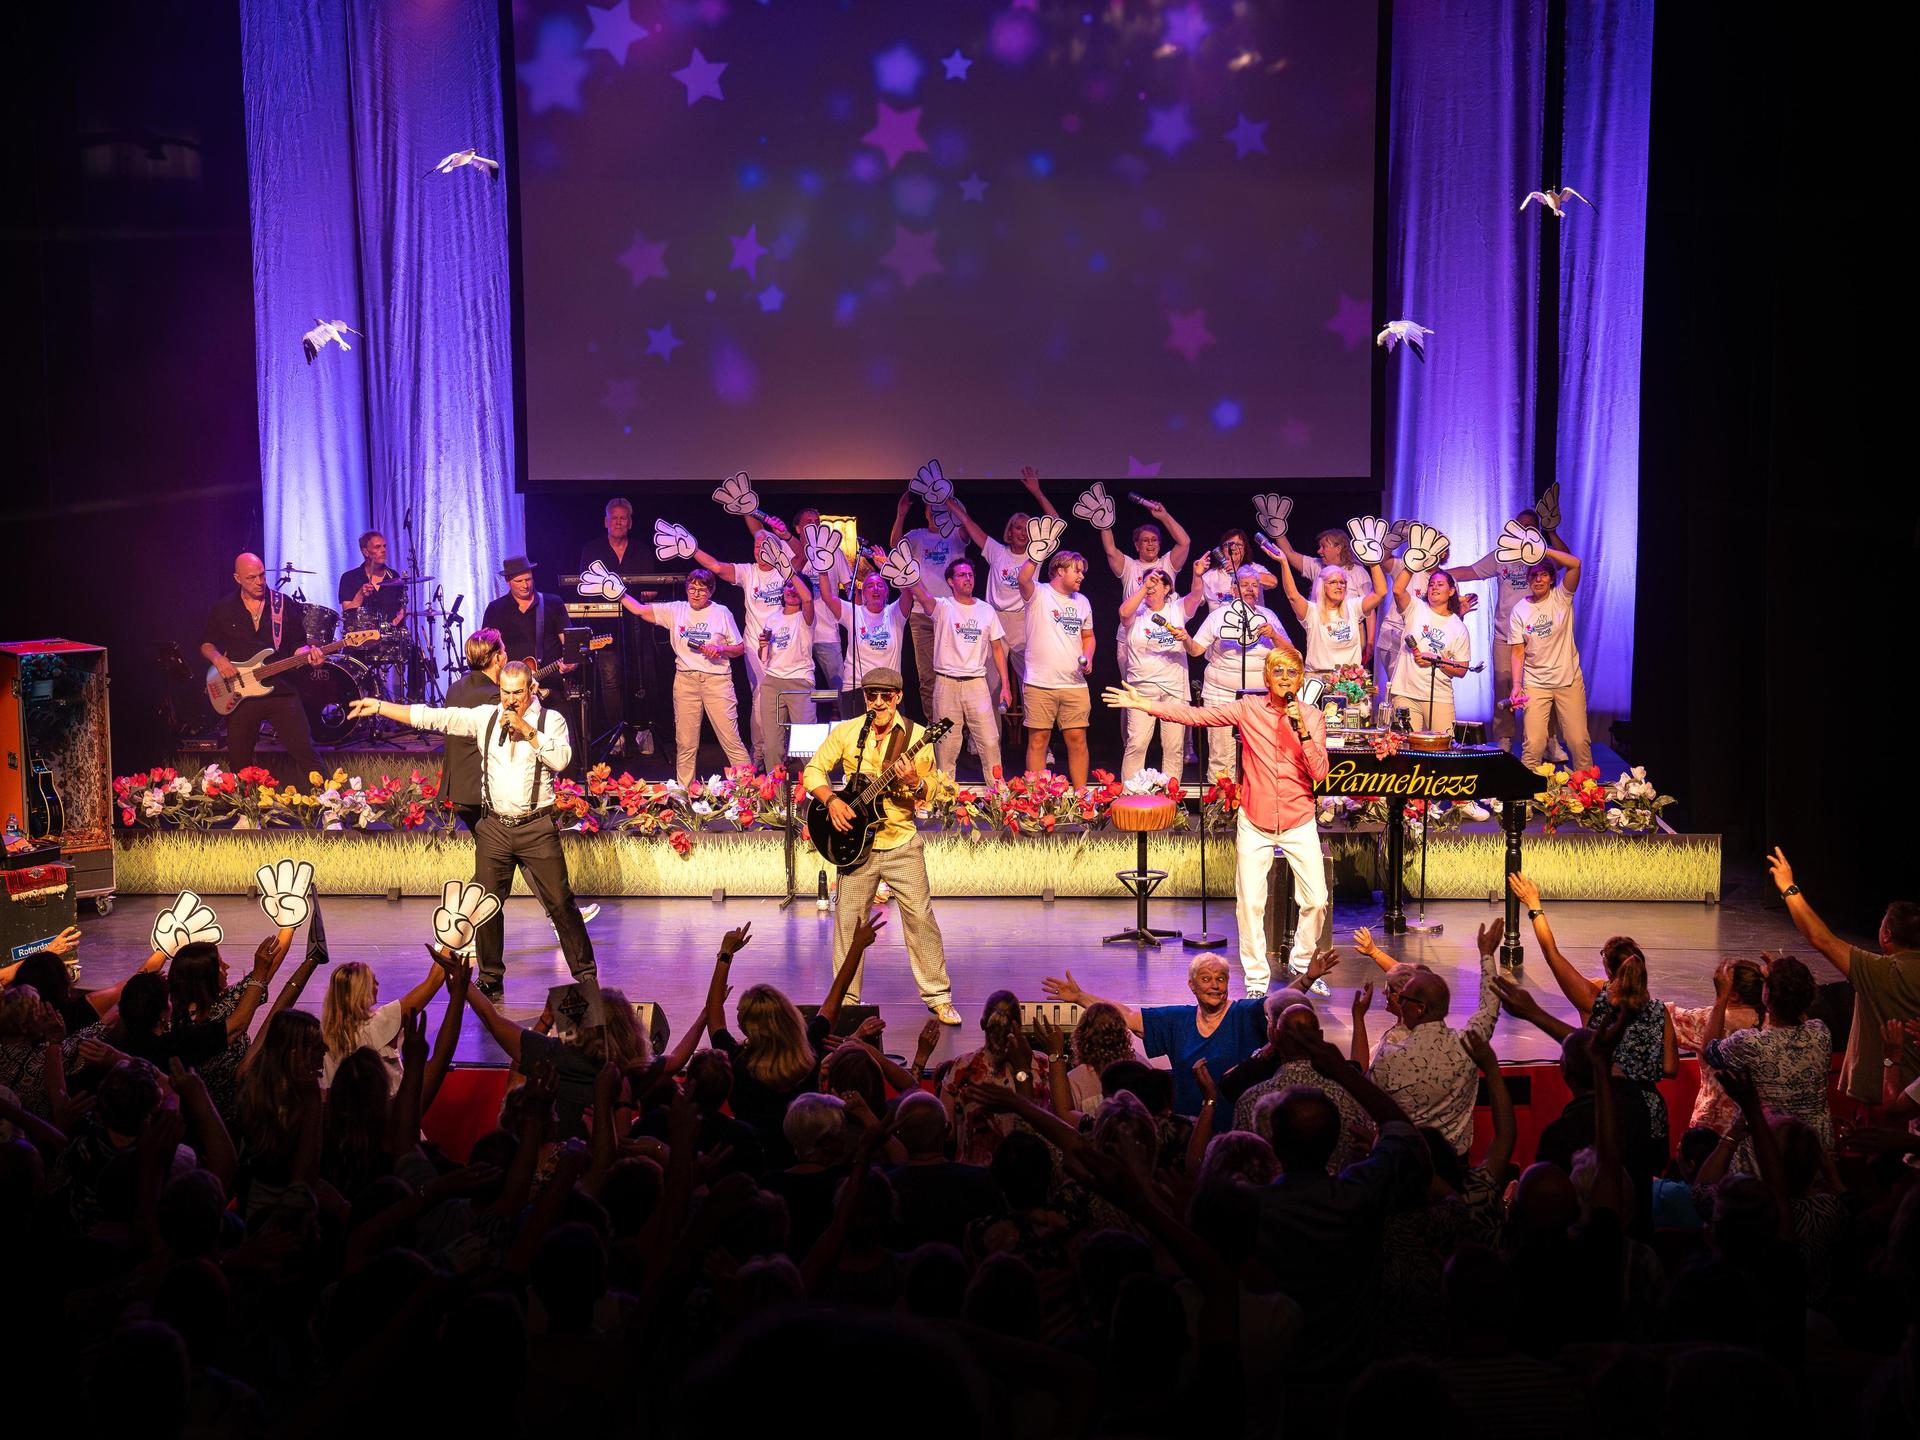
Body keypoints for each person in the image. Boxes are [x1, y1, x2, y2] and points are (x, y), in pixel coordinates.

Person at [348, 662, 595, 1001]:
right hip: (494, 826)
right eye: (505, 692)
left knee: (561, 903)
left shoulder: (550, 721)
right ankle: (491, 978)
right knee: (486, 905)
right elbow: (435, 717)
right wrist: (379, 706)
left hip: (536, 827)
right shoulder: (486, 717)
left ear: (530, 690)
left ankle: (586, 976)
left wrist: (529, 732)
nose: (510, 700)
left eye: (517, 693)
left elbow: (562, 759)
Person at [1104, 643, 1329, 995]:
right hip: (1255, 819)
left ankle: (1302, 960)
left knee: (1316, 900)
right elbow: (1197, 716)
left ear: (1300, 679)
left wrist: (1301, 730)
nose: (1285, 678)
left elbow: (1320, 773)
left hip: (1298, 817)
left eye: (1292, 673)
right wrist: (1145, 705)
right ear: (1267, 677)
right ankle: (1256, 978)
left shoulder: (1312, 717)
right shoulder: (1249, 708)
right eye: (1279, 672)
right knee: (1251, 903)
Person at [801, 668, 960, 1025]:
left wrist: (915, 781)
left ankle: (938, 996)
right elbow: (813, 771)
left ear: (898, 697)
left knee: (920, 919)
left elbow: (933, 791)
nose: (878, 702)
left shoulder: (918, 736)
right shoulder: (847, 732)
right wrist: (831, 801)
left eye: (885, 696)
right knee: (848, 924)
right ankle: (846, 999)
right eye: (871, 695)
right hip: (857, 848)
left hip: (901, 841)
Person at [1508, 873, 1676, 1152]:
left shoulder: (1594, 1001)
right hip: (1651, 1114)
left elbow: (1552, 955)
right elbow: (1670, 1068)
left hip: (1606, 1106)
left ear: (1609, 969)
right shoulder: (1660, 1010)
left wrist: (1534, 904)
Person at [1764, 847, 1920, 1109]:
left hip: (1884, 1100)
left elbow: (1821, 939)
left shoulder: (1879, 972)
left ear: (1887, 936)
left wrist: (1788, 887)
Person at [1041, 957, 1267, 1117]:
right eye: (1206, 979)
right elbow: (1127, 1016)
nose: (1215, 985)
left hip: (1234, 1127)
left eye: (1221, 978)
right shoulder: (1178, 1020)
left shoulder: (1244, 1013)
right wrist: (1080, 997)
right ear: (1192, 985)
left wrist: (1304, 981)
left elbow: (1281, 1007)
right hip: (1189, 1127)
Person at [600, 567, 749, 787]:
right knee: (686, 743)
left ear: (711, 591)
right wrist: (619, 593)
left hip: (716, 681)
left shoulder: (722, 612)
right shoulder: (676, 610)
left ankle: (750, 791)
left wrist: (720, 648)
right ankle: (685, 795)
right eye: (692, 588)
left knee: (731, 740)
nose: (696, 593)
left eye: (701, 589)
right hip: (686, 681)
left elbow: (739, 648)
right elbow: (640, 610)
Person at [1366, 919, 1504, 1155]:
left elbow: (1367, 1104)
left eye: (1404, 999)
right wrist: (1487, 955)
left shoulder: (1389, 1056)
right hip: (1454, 1167)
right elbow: (1489, 1007)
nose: (1399, 1003)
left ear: (1419, 1008)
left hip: (1405, 1166)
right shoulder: (1467, 1047)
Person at [200, 552, 325, 786]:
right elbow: (207, 644)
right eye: (251, 578)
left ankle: (330, 809)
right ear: (237, 578)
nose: (259, 582)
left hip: (281, 689)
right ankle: (247, 815)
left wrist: (309, 655)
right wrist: (219, 660)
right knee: (238, 760)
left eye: (262, 575)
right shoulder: (223, 608)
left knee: (306, 753)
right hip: (241, 693)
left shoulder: (283, 604)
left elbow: (299, 645)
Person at [1449, 501, 1567, 747]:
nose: (1524, 532)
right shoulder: (1502, 556)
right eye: (1520, 527)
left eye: (1530, 528)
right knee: (1503, 686)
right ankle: (1504, 737)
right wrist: (1436, 572)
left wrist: (1552, 532)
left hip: (1540, 636)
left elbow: (1567, 560)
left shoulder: (1543, 557)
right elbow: (1471, 571)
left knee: (1546, 687)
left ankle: (1550, 739)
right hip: (1505, 635)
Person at [941, 470, 1060, 703]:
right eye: (1018, 527)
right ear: (1010, 531)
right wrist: (948, 503)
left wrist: (1037, 492)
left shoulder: (1036, 554)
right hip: (995, 619)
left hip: (1024, 620)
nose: (1023, 532)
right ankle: (989, 738)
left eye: (1028, 528)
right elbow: (969, 523)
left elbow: (1055, 524)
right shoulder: (996, 551)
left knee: (1032, 683)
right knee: (992, 684)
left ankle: (1036, 736)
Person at [1701, 953, 1833, 1159]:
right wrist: (1784, 981)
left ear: (1767, 996)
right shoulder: (1820, 1032)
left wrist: (1722, 998)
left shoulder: (1750, 1043)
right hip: (1814, 1150)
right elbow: (1799, 1014)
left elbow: (1710, 1050)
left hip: (1768, 1150)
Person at [692, 524, 793, 769]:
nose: (760, 549)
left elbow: (800, 557)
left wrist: (786, 535)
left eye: (765, 544)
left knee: (785, 698)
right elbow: (716, 566)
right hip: (755, 645)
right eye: (756, 545)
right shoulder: (748, 572)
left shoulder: (784, 571)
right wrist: (692, 549)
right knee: (761, 697)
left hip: (785, 643)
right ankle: (759, 752)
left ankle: (781, 751)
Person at [1182, 560, 1290, 783]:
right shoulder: (1217, 617)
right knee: (1221, 755)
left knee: (1260, 754)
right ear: (1233, 589)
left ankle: (1255, 804)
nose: (1250, 589)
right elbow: (1196, 651)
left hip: (1260, 699)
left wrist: (1274, 636)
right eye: (1245, 584)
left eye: (1254, 585)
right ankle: (1221, 808)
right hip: (1221, 695)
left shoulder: (1268, 615)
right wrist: (1185, 639)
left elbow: (1292, 654)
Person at [904, 559, 1010, 782]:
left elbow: (998, 649)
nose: (968, 579)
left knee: (990, 741)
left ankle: (998, 798)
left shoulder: (986, 610)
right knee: (946, 745)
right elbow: (922, 595)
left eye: (970, 574)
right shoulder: (943, 606)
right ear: (951, 581)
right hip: (946, 684)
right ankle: (945, 798)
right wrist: (904, 569)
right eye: (962, 575)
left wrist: (1006, 687)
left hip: (976, 684)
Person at [1508, 545, 1592, 770]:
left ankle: (1587, 794)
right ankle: (1526, 796)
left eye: (1543, 574)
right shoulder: (1519, 610)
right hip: (1536, 684)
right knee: (1534, 744)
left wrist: (1542, 550)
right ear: (1528, 579)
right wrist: (1517, 685)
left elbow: (1575, 564)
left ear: (1552, 578)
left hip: (1568, 680)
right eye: (1533, 575)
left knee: (1578, 740)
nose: (1538, 579)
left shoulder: (1561, 597)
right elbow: (1518, 651)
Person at [890, 489, 972, 721]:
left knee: (956, 672)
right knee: (927, 676)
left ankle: (960, 727)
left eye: (941, 508)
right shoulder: (917, 536)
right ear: (926, 513)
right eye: (932, 508)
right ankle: (934, 727)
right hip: (920, 614)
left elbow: (967, 527)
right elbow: (895, 545)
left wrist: (951, 501)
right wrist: (901, 515)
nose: (936, 512)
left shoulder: (955, 535)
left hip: (951, 614)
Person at [1016, 549, 1095, 785]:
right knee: (1038, 740)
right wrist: (1036, 553)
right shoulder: (1039, 593)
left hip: (1074, 684)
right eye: (1077, 571)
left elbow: (1089, 636)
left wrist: (1088, 656)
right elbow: (1022, 579)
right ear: (1060, 570)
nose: (1081, 576)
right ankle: (1038, 799)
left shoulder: (1082, 602)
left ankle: (1081, 796)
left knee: (1078, 739)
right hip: (1040, 683)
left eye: (1082, 572)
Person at [318, 954, 448, 1093]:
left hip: (341, 1111)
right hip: (387, 1109)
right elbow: (434, 980)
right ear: (362, 989)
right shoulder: (377, 1024)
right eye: (373, 981)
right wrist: (449, 941)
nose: (378, 985)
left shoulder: (322, 1034)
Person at [578, 497, 647, 757]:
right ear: (606, 522)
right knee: (609, 679)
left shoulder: (641, 550)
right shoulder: (592, 549)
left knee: (640, 678)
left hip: (638, 627)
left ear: (629, 522)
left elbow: (649, 590)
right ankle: (616, 734)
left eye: (623, 518)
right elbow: (584, 587)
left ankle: (641, 730)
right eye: (614, 518)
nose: (618, 522)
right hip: (604, 625)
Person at [1115, 567, 1196, 782]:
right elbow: (1123, 613)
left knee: (1173, 746)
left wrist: (1196, 574)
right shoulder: (1137, 612)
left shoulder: (1177, 609)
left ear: (1167, 588)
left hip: (1174, 688)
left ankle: (1171, 799)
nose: (1150, 586)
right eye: (1147, 581)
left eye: (1156, 582)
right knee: (1137, 743)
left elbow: (1197, 596)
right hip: (1141, 689)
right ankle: (1129, 796)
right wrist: (1145, 587)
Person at [1277, 553, 1387, 682]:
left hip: (1350, 682)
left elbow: (1380, 593)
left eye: (1342, 582)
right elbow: (1292, 596)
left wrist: (1373, 561)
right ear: (1322, 586)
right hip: (1318, 680)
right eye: (1333, 582)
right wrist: (1284, 562)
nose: (1340, 586)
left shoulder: (1353, 607)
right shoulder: (1312, 611)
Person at [1387, 563, 1470, 732]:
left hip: (1439, 696)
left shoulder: (1458, 627)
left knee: (1443, 749)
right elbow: (1397, 590)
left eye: (1440, 584)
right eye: (1431, 584)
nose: (1434, 588)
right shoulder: (1415, 608)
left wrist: (1437, 661)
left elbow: (1462, 669)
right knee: (1407, 747)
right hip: (1405, 693)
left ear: (1452, 591)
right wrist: (1412, 563)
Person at [749, 576, 818, 774]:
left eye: (796, 586)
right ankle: (777, 800)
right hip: (772, 681)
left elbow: (807, 600)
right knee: (772, 746)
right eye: (788, 585)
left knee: (806, 744)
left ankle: (821, 797)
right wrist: (763, 647)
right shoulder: (773, 618)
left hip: (800, 681)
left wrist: (791, 574)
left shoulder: (806, 616)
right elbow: (765, 658)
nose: (791, 589)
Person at [821, 569, 909, 721]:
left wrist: (893, 570)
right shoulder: (853, 612)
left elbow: (908, 593)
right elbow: (827, 596)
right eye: (870, 586)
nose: (875, 588)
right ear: (863, 594)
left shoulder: (895, 612)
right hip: (856, 689)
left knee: (891, 742)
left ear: (886, 593)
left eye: (880, 585)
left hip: (889, 689)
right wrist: (823, 569)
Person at [439, 628, 504, 830]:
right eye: (504, 650)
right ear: (497, 658)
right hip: (480, 793)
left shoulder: (455, 687)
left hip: (458, 790)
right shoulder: (494, 696)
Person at [482, 555, 568, 670]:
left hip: (550, 679)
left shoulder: (553, 603)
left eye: (528, 579)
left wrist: (571, 662)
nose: (525, 585)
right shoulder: (495, 609)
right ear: (507, 581)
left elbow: (567, 642)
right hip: (510, 682)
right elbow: (487, 648)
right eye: (519, 581)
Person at [337, 530, 406, 630]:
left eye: (384, 546)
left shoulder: (394, 576)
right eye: (378, 547)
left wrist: (401, 615)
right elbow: (347, 614)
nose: (383, 550)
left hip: (390, 638)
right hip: (362, 640)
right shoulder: (349, 578)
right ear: (365, 552)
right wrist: (360, 595)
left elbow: (401, 607)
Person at [1197, 528, 1276, 611]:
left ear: (1245, 549)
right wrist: (1196, 575)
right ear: (1222, 550)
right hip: (1222, 623)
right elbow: (1194, 601)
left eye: (1239, 545)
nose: (1233, 548)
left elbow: (1273, 582)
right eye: (1228, 545)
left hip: (1255, 621)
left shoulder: (1255, 568)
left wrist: (1240, 573)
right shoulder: (1210, 576)